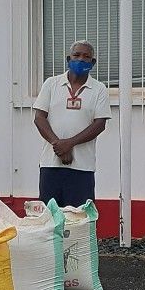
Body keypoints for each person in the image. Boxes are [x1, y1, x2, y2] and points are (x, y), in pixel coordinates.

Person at [32, 39, 110, 207]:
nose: (81, 59)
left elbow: (100, 124)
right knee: (50, 220)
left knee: (80, 220)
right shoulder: (51, 84)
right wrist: (57, 144)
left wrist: (69, 144)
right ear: (68, 59)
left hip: (82, 167)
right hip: (50, 164)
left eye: (86, 56)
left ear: (93, 62)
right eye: (76, 55)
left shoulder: (99, 89)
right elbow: (39, 118)